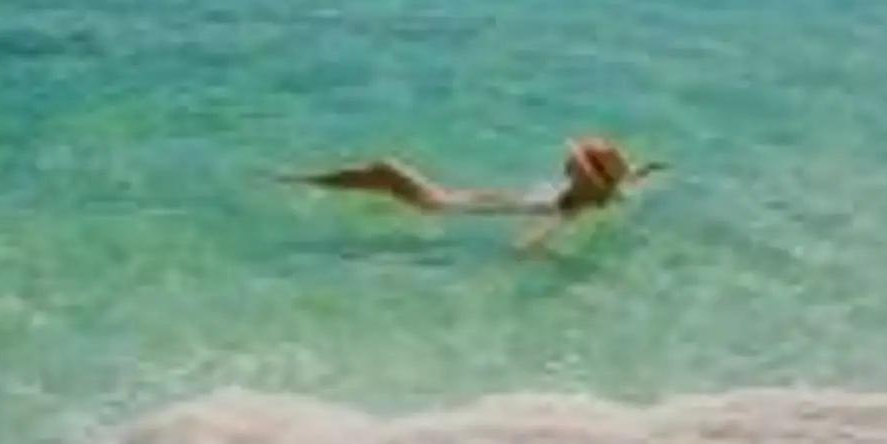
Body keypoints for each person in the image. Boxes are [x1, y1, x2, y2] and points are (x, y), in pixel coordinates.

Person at [282, 135, 666, 251]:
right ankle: (307, 183)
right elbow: (621, 185)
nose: (568, 163)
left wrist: (531, 246)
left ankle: (300, 182)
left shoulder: (575, 202)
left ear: (585, 177)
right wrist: (642, 173)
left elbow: (556, 224)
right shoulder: (600, 194)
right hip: (466, 200)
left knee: (385, 169)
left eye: (576, 163)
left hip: (448, 207)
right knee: (382, 176)